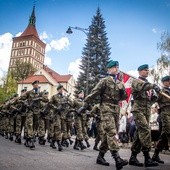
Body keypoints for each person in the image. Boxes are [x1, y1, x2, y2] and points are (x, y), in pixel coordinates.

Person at [80, 60, 128, 169]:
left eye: (117, 67)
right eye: (114, 67)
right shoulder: (104, 81)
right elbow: (94, 92)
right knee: (111, 132)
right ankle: (117, 158)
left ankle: (100, 156)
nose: (116, 69)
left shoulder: (120, 83)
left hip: (116, 109)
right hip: (106, 108)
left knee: (108, 135)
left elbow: (124, 97)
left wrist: (122, 87)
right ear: (109, 69)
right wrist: (85, 104)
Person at [128, 64, 160, 167]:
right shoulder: (137, 81)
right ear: (140, 71)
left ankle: (133, 157)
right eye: (145, 70)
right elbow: (142, 87)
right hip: (138, 110)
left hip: (146, 111)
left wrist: (155, 95)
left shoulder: (148, 84)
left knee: (139, 134)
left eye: (148, 70)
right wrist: (153, 86)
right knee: (146, 130)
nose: (147, 72)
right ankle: (147, 157)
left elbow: (150, 100)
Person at [152, 75, 170, 164]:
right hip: (165, 113)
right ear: (164, 82)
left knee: (163, 137)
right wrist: (157, 91)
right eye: (168, 81)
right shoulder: (162, 91)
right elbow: (156, 99)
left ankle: (155, 155)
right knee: (169, 132)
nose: (169, 82)